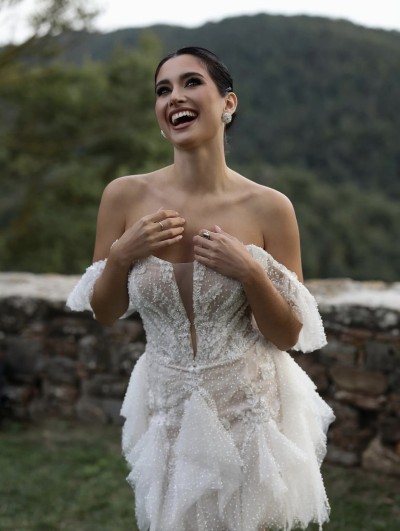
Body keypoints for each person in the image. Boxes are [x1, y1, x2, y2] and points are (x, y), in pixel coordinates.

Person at [67, 46, 335, 531]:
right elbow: (105, 311)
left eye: (191, 82)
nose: (174, 97)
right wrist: (123, 254)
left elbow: (287, 334)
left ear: (228, 103)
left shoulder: (270, 207)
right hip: (168, 410)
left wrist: (251, 273)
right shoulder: (123, 196)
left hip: (251, 412)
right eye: (163, 90)